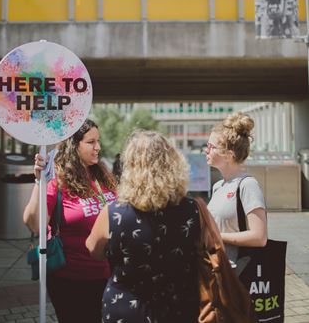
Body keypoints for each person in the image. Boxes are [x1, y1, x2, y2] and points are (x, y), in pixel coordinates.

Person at [86, 131, 202, 323]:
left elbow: (94, 250)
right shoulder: (193, 209)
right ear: (173, 163)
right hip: (178, 307)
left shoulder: (114, 212)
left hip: (125, 307)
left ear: (130, 166)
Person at [23, 119, 117, 323]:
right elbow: (33, 223)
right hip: (71, 278)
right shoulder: (56, 180)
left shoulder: (102, 176)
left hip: (109, 274)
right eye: (91, 142)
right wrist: (40, 181)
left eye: (98, 141)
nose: (98, 147)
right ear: (74, 146)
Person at [205, 112, 267, 265]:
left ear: (228, 155)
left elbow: (260, 237)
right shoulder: (218, 186)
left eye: (211, 147)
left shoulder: (248, 185)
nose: (206, 150)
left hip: (239, 273)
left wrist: (218, 236)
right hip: (219, 268)